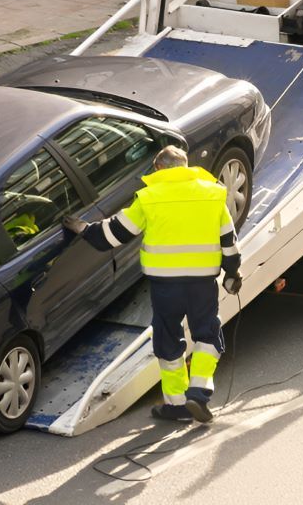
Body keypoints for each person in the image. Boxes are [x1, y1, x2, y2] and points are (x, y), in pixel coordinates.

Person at [62, 146, 242, 424]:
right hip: (202, 284)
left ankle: (178, 405)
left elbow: (113, 235)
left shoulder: (148, 198)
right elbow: (229, 241)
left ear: (158, 169)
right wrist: (233, 273)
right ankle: (199, 391)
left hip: (165, 286)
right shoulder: (212, 193)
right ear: (184, 166)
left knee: (168, 339)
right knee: (207, 335)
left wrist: (83, 229)